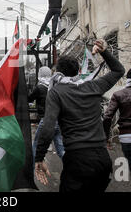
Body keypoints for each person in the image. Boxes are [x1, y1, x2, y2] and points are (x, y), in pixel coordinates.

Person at [34, 39, 125, 192]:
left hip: (78, 159)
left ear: (58, 72)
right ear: (77, 71)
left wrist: (39, 157)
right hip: (102, 159)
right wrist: (104, 52)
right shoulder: (93, 86)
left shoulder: (56, 92)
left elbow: (48, 127)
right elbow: (118, 71)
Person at [29, 66, 64, 166]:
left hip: (46, 120)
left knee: (36, 145)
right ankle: (73, 167)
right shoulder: (55, 85)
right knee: (60, 148)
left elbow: (29, 99)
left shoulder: (40, 87)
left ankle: (33, 169)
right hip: (57, 120)